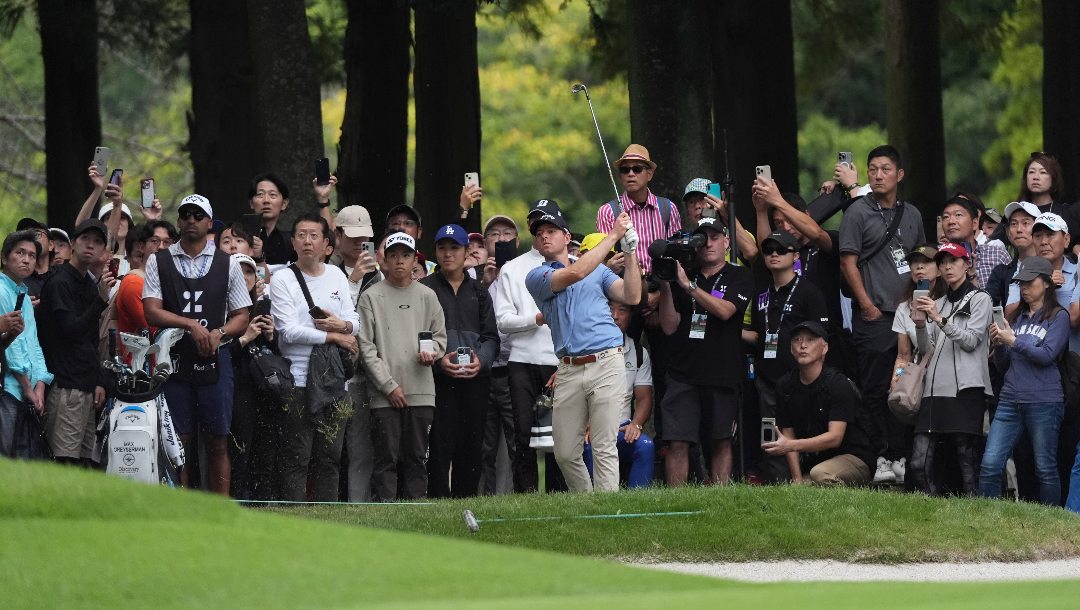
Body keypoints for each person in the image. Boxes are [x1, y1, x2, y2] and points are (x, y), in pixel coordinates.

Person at [525, 209, 641, 492]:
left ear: (566, 237)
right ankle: (587, 502)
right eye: (539, 233)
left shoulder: (599, 271)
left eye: (550, 230)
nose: (543, 235)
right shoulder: (536, 275)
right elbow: (576, 272)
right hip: (568, 368)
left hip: (607, 361)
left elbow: (632, 296)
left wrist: (630, 253)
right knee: (565, 452)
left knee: (603, 444)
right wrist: (613, 234)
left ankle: (606, 513)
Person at [143, 195, 251, 494]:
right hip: (173, 360)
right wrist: (190, 324)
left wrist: (218, 332)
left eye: (198, 215)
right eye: (185, 214)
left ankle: (219, 511)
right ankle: (180, 512)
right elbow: (150, 310)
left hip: (216, 359)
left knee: (218, 439)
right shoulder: (159, 260)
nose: (191, 219)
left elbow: (242, 314)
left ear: (208, 222)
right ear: (178, 221)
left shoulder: (227, 263)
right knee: (178, 440)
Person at [837, 145, 925, 482]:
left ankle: (900, 456)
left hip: (906, 314)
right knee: (874, 388)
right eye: (872, 169)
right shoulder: (858, 212)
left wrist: (918, 304)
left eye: (885, 169)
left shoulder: (913, 215)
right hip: (874, 315)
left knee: (904, 388)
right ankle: (882, 456)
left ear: (899, 174)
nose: (877, 175)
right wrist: (866, 305)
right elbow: (848, 261)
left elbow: (920, 262)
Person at [270, 213, 360, 501]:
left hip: (334, 379)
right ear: (293, 243)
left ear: (327, 245)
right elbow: (289, 331)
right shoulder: (282, 278)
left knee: (330, 456)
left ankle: (328, 519)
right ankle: (297, 520)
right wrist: (333, 336)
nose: (307, 241)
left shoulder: (336, 275)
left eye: (313, 236)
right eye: (301, 235)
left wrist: (343, 326)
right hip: (297, 379)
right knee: (298, 455)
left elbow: (353, 320)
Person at [657, 217, 753, 486]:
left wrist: (689, 286)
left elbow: (725, 312)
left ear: (726, 241)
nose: (708, 243)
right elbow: (668, 326)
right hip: (682, 372)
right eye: (702, 238)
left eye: (714, 237)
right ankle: (677, 501)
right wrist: (665, 284)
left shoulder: (739, 275)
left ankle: (719, 500)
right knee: (678, 440)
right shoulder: (684, 275)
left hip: (722, 371)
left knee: (721, 439)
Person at [357, 232, 446, 500]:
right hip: (385, 395)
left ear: (414, 259)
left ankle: (416, 510)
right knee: (386, 458)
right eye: (393, 255)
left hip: (421, 391)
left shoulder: (428, 296)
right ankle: (387, 511)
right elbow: (365, 347)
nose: (399, 261)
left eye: (405, 255)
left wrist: (433, 354)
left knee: (417, 457)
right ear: (383, 259)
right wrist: (388, 386)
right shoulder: (370, 297)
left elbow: (440, 338)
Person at [981, 256, 1068, 505]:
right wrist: (999, 344)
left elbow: (1047, 355)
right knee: (990, 463)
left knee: (1045, 467)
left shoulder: (1058, 316)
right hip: (1010, 399)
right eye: (1021, 283)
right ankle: (987, 519)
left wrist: (1013, 341)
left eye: (1030, 282)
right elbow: (1003, 364)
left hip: (1044, 401)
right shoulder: (1017, 318)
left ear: (1047, 283)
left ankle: (1050, 523)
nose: (1024, 287)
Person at [421, 224, 499, 497]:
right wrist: (439, 360)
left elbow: (491, 337)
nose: (447, 254)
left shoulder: (479, 291)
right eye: (442, 248)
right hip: (436, 381)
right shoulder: (424, 289)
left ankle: (466, 500)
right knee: (438, 446)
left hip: (475, 381)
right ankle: (438, 502)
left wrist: (482, 361)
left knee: (472, 445)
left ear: (467, 252)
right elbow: (418, 335)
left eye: (454, 248)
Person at [909, 243, 993, 496]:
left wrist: (939, 319)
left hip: (967, 388)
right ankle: (930, 510)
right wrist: (921, 326)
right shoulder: (939, 302)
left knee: (966, 459)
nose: (947, 267)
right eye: (942, 262)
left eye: (953, 261)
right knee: (919, 461)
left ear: (967, 265)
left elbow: (971, 341)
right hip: (934, 390)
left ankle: (971, 510)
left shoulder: (981, 298)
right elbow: (927, 349)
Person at [495, 202, 567, 493]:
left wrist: (567, 361)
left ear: (561, 230)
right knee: (522, 432)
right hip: (522, 362)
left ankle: (559, 494)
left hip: (561, 360)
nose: (544, 234)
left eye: (550, 227)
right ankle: (525, 494)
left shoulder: (572, 265)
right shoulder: (512, 268)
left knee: (561, 433)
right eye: (538, 227)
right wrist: (537, 318)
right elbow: (503, 321)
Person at [748, 231, 829, 480]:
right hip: (766, 378)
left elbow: (823, 338)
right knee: (769, 434)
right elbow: (757, 334)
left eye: (781, 250)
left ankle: (806, 479)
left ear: (795, 256)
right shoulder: (761, 293)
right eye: (769, 250)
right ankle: (776, 483)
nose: (774, 254)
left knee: (802, 431)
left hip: (800, 378)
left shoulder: (809, 291)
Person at [38, 219, 115, 465]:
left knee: (84, 465)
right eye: (85, 239)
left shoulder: (89, 285)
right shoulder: (60, 281)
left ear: (103, 251)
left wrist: (100, 381)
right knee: (64, 464)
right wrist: (100, 301)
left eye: (97, 242)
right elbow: (70, 330)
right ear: (72, 244)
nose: (90, 246)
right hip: (65, 386)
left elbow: (93, 341)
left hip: (87, 387)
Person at [763, 321, 875, 485]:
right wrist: (797, 479)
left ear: (824, 348)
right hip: (817, 461)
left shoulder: (838, 383)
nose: (803, 345)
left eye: (810, 340)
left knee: (820, 474)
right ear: (791, 349)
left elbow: (834, 438)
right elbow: (788, 433)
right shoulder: (785, 385)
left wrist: (792, 445)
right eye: (797, 340)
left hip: (854, 456)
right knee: (799, 486)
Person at [333, 204, 382, 502]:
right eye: (351, 235)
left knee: (362, 450)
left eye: (364, 237)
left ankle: (357, 508)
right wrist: (352, 282)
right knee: (331, 449)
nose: (357, 242)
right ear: (337, 234)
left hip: (367, 374)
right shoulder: (325, 271)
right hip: (333, 374)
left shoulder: (379, 275)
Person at [887, 245, 946, 483]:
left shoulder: (949, 300)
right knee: (918, 439)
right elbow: (903, 354)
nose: (919, 267)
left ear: (940, 269)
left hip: (948, 376)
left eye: (926, 262)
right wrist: (897, 380)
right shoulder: (904, 307)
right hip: (921, 379)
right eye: (914, 263)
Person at [582, 300, 655, 488]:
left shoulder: (638, 352)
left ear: (630, 315)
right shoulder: (584, 348)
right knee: (590, 448)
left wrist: (636, 424)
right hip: (591, 427)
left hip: (622, 428)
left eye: (622, 310)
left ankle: (636, 509)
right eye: (609, 309)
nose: (615, 316)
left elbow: (644, 397)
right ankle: (596, 504)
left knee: (645, 446)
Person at [228, 252, 279, 500]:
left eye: (249, 271)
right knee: (240, 449)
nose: (244, 276)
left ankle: (263, 501)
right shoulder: (222, 306)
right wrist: (245, 337)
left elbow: (277, 353)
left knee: (266, 447)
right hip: (236, 389)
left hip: (265, 390)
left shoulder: (263, 305)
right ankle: (238, 499)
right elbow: (221, 353)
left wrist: (271, 336)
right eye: (239, 271)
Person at [0, 231, 52, 457]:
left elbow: (33, 344)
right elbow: (10, 346)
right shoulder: (1, 290)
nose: (26, 259)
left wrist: (40, 384)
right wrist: (29, 388)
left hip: (27, 392)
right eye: (20, 253)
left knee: (23, 463)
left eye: (32, 255)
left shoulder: (25, 295)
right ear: (4, 258)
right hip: (9, 389)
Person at [595, 144, 680, 277]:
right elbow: (604, 259)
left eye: (637, 169)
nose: (630, 174)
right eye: (625, 170)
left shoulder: (668, 208)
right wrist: (609, 267)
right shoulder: (607, 211)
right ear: (620, 176)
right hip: (624, 288)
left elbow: (676, 256)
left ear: (649, 174)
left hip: (664, 288)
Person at [479, 215, 519, 495]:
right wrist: (484, 282)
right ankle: (483, 499)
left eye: (507, 234)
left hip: (515, 369)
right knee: (484, 444)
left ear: (517, 241)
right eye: (494, 234)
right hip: (482, 371)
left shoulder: (526, 271)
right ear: (484, 242)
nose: (501, 238)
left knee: (519, 441)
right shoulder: (473, 275)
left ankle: (521, 497)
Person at [939, 193, 1010, 289]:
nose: (951, 221)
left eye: (958, 215)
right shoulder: (936, 257)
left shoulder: (996, 254)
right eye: (946, 217)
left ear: (975, 223)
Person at [986, 202, 1040, 307]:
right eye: (1013, 224)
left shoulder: (1052, 264)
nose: (1019, 230)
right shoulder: (1001, 272)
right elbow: (987, 305)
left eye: (1025, 223)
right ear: (1008, 232)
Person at [249, 173, 296, 267]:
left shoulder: (292, 241)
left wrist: (323, 200)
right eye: (260, 194)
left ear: (284, 204)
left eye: (272, 195)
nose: (266, 200)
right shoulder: (240, 239)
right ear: (251, 203)